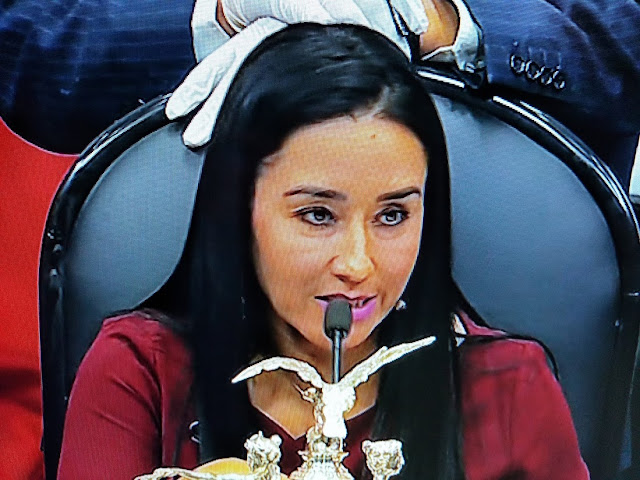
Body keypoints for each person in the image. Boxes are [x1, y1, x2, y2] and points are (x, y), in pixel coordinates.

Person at [57, 24, 589, 480]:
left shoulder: (510, 388)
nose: (357, 264)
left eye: (393, 216)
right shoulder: (140, 371)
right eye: (317, 215)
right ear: (238, 209)